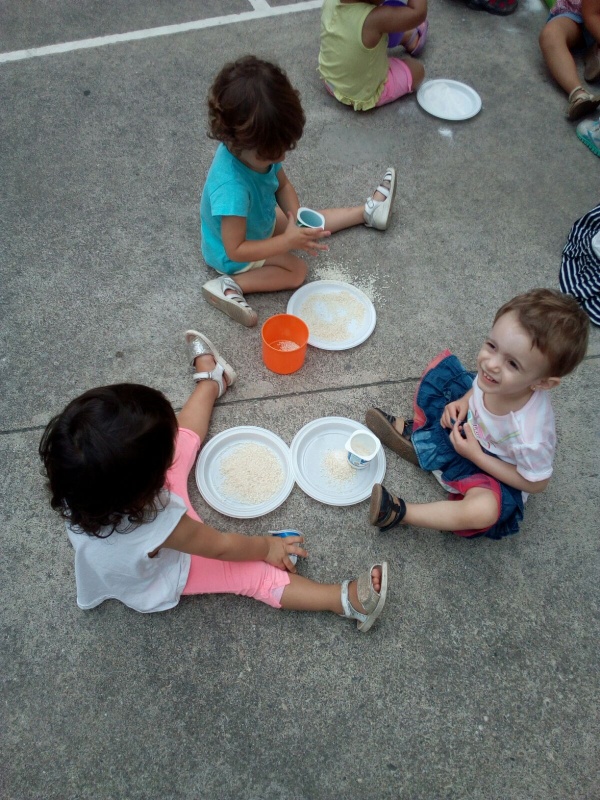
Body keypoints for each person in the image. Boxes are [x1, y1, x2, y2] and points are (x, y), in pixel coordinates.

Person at [39, 331, 388, 632]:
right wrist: (266, 546)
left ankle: (213, 381)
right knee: (252, 575)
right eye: (163, 456)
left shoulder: (81, 476)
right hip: (158, 571)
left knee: (181, 442)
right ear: (148, 487)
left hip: (120, 524)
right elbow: (221, 546)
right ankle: (343, 601)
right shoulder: (160, 522)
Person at [365, 289, 589, 540]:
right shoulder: (496, 379)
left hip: (496, 468)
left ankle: (399, 512)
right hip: (471, 430)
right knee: (447, 388)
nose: (491, 364)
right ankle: (428, 446)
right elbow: (478, 387)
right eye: (492, 346)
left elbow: (537, 483)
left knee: (483, 511)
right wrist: (463, 401)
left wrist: (476, 456)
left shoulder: (531, 435)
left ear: (542, 383)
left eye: (512, 364)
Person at [200, 55, 396, 327]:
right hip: (232, 253)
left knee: (310, 223)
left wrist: (297, 217)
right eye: (272, 155)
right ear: (238, 142)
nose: (280, 158)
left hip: (258, 221)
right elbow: (236, 249)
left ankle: (367, 212)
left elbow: (282, 185)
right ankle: (230, 284)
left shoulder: (260, 144)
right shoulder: (231, 187)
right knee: (297, 270)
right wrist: (286, 242)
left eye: (282, 150)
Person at [318, 0, 427, 112]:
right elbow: (418, 13)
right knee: (417, 70)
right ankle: (411, 37)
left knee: (381, 20)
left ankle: (407, 35)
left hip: (331, 80)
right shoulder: (375, 19)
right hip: (360, 94)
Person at [539, 0, 600, 120]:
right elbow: (591, 15)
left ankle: (595, 52)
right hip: (577, 14)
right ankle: (578, 93)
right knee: (551, 35)